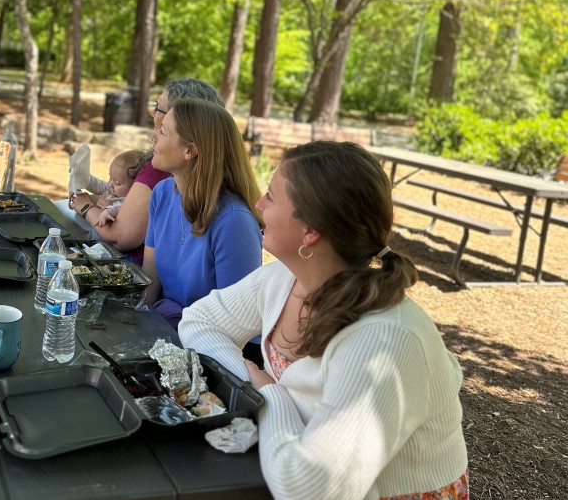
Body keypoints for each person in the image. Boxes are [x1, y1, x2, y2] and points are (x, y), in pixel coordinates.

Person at [179, 142, 468, 500]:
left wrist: (270, 396)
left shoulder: (385, 339)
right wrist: (250, 377)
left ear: (311, 230)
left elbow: (309, 489)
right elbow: (198, 321)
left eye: (270, 196)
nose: (258, 204)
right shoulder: (284, 280)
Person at [69, 78, 224, 264]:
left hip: (130, 264)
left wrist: (86, 207)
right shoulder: (179, 180)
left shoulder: (161, 171)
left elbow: (120, 237)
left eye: (158, 108)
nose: (153, 114)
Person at [142, 98, 263, 330]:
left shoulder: (234, 221)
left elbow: (236, 323)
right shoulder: (162, 194)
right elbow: (150, 282)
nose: (153, 137)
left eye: (163, 131)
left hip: (209, 345)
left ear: (190, 150)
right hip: (164, 329)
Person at [75, 148, 147, 233]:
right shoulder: (114, 189)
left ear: (134, 187)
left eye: (117, 183)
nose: (110, 184)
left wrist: (108, 211)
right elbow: (98, 185)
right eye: (110, 178)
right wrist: (84, 178)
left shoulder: (128, 201)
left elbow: (118, 207)